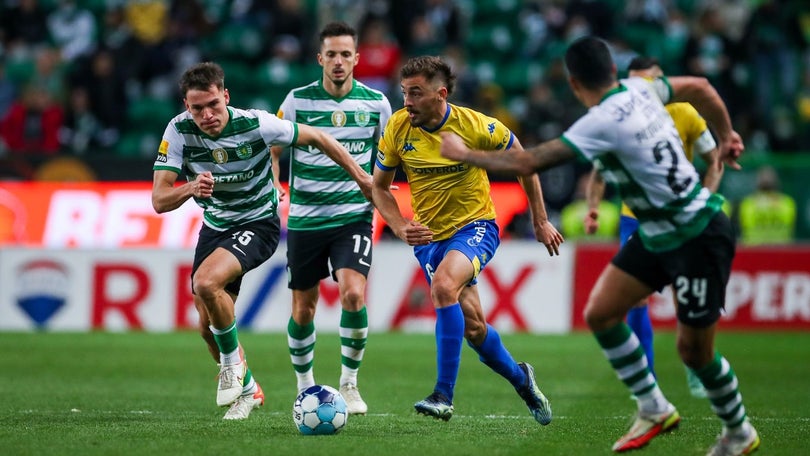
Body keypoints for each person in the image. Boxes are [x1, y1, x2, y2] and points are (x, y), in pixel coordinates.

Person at [440, 36, 760, 455]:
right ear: (613, 70)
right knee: (602, 312)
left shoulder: (599, 121)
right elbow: (700, 86)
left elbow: (527, 162)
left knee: (694, 351)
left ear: (574, 84)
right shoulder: (643, 89)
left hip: (697, 231)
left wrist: (465, 154)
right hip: (659, 231)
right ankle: (653, 406)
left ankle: (738, 431)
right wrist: (727, 134)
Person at [151, 61, 372, 421]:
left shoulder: (256, 123)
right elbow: (159, 200)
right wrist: (190, 187)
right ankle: (249, 388)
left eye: (213, 105)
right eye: (197, 108)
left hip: (259, 222)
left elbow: (318, 137)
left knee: (206, 282)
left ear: (226, 96)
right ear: (186, 107)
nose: (207, 115)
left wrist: (363, 178)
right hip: (217, 225)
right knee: (206, 326)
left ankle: (231, 366)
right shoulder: (177, 131)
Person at [372, 55, 563, 424]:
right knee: (474, 328)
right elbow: (379, 188)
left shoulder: (474, 126)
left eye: (415, 93)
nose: (406, 101)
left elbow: (525, 161)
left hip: (475, 226)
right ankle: (522, 379)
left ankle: (443, 394)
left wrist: (540, 220)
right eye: (403, 93)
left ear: (440, 94)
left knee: (443, 286)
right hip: (429, 237)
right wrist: (398, 225)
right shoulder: (397, 127)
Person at [585, 55, 724, 399]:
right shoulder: (623, 118)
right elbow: (599, 171)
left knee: (684, 295)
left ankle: (696, 369)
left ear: (661, 84)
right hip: (636, 217)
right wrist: (592, 208)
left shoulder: (687, 114)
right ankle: (647, 377)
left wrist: (704, 198)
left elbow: (715, 159)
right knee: (635, 300)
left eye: (646, 83)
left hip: (682, 216)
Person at [270, 21, 392, 416]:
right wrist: (274, 186)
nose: (339, 62)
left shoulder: (376, 104)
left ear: (357, 58)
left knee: (353, 293)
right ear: (319, 58)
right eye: (332, 54)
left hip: (353, 216)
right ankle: (305, 387)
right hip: (306, 219)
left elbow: (389, 159)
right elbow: (272, 145)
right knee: (303, 309)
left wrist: (385, 202)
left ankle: (349, 384)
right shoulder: (296, 101)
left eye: (346, 54)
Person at [737, 165, 796, 245]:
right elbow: (792, 228)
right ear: (776, 182)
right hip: (781, 250)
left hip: (753, 251)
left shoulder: (748, 204)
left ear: (757, 183)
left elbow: (743, 227)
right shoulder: (787, 203)